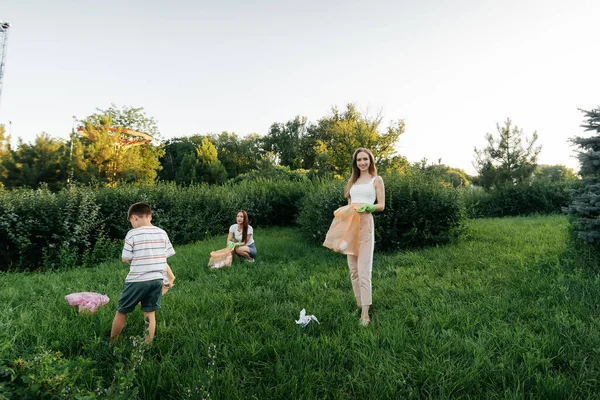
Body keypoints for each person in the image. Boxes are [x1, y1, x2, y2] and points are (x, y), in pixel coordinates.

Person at [110, 202, 176, 344]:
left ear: (134, 218)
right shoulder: (162, 232)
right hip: (157, 279)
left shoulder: (132, 234)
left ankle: (112, 341)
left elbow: (125, 258)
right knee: (150, 312)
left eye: (131, 222)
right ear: (150, 217)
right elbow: (165, 257)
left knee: (122, 310)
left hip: (137, 280)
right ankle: (148, 343)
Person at [345, 148, 385, 326]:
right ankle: (359, 304)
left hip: (366, 225)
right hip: (350, 226)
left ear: (370, 161)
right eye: (359, 160)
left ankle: (366, 314)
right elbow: (349, 204)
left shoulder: (377, 180)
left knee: (363, 271)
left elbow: (382, 205)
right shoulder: (353, 181)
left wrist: (368, 207)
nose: (362, 162)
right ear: (355, 162)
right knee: (353, 270)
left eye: (365, 159)